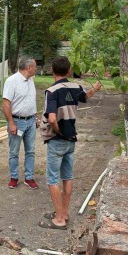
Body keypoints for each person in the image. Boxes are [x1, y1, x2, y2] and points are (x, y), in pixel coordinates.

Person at [39, 56, 101, 229]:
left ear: (52, 70)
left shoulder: (52, 91)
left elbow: (51, 119)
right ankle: (64, 213)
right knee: (67, 176)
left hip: (57, 139)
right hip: (71, 139)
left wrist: (58, 131)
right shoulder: (75, 87)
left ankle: (58, 219)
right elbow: (86, 96)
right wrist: (95, 88)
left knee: (52, 179)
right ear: (68, 70)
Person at [2, 57, 39, 189]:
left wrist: (35, 117)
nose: (36, 69)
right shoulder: (12, 81)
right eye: (35, 66)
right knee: (14, 152)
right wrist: (11, 123)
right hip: (17, 121)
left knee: (31, 151)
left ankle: (29, 178)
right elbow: (6, 103)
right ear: (29, 68)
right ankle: (14, 177)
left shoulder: (30, 80)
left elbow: (31, 100)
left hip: (30, 121)